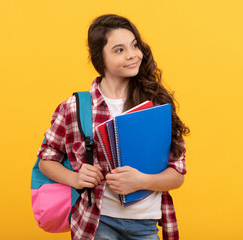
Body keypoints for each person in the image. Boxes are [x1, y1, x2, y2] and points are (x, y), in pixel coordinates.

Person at [37, 14, 190, 240]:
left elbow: (177, 175)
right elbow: (47, 159)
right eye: (119, 50)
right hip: (97, 223)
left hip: (145, 223)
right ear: (101, 58)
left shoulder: (155, 106)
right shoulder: (74, 108)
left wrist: (141, 181)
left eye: (134, 45)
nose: (132, 55)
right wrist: (75, 178)